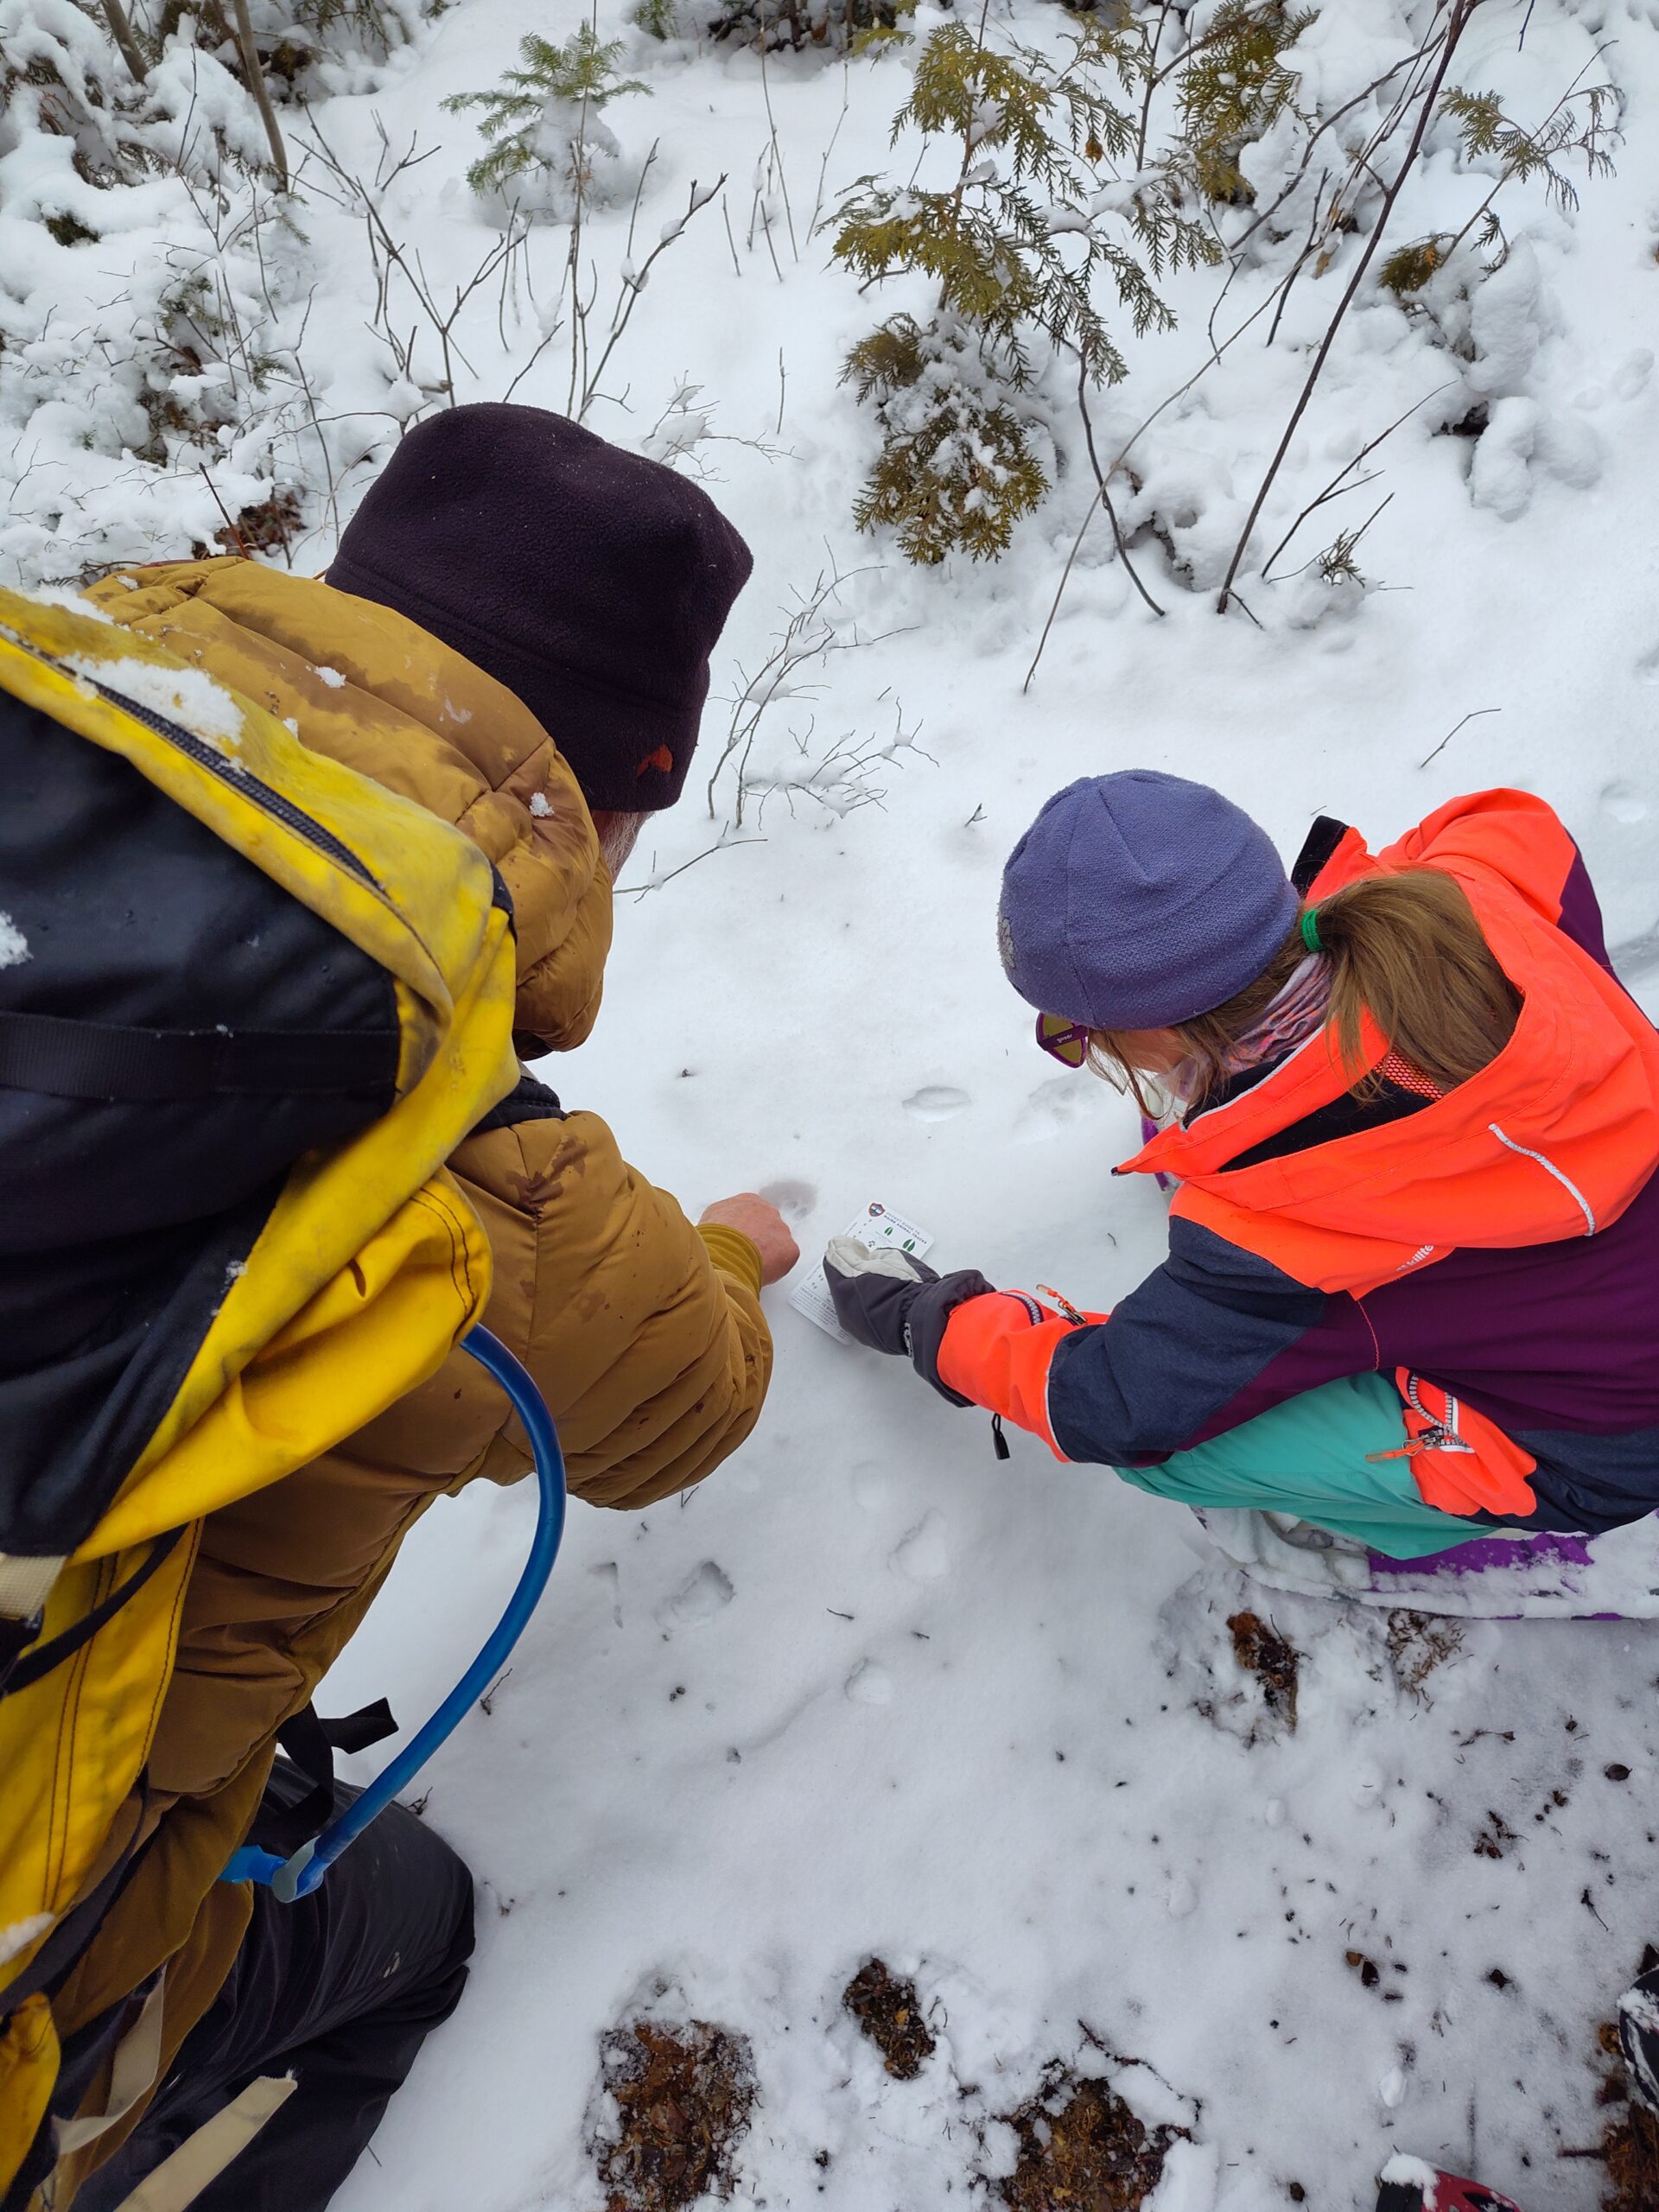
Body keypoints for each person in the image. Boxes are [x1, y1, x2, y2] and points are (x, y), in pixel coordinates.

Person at [40, 404, 798, 2211]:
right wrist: (722, 1251)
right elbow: (683, 1408)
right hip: (42, 1927)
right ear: (612, 804)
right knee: (403, 1933)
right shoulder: (494, 1181)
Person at [825, 771, 1659, 1565]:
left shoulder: (1285, 1239)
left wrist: (926, 1323)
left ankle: (1417, 1517)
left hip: (1592, 1446)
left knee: (1177, 1454)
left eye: (1077, 1035)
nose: (1084, 1050)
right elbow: (1501, 819)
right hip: (1596, 1302)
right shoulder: (1496, 876)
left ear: (1159, 1032)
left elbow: (1116, 1405)